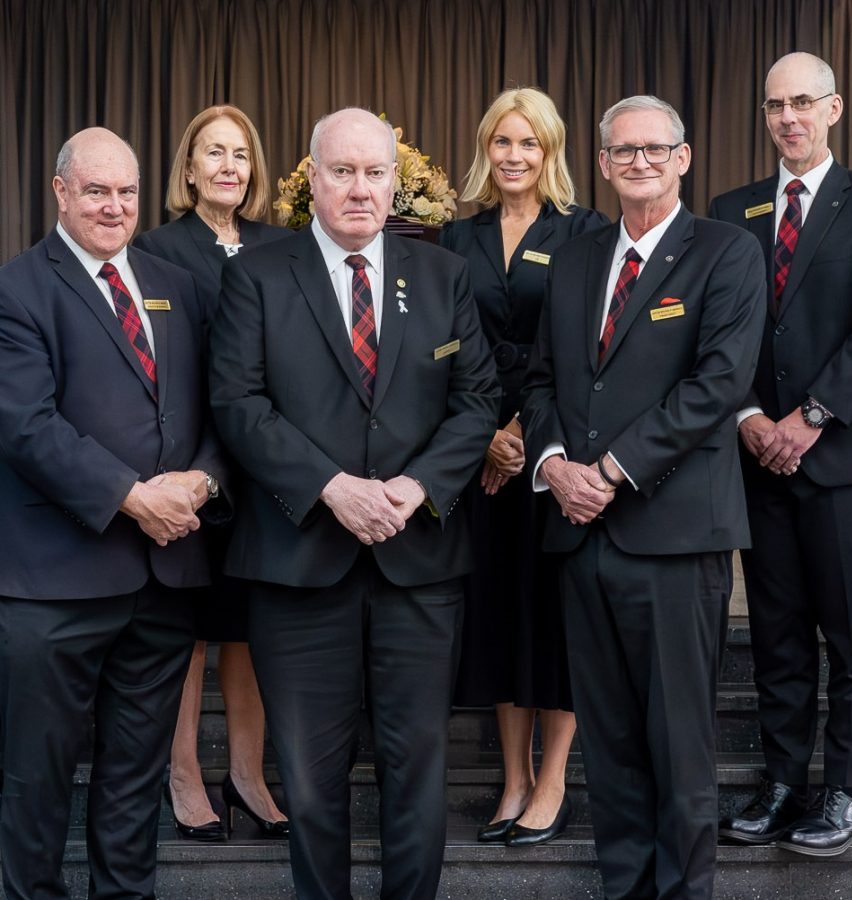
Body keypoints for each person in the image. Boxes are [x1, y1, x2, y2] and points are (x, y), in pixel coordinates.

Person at [208, 108, 499, 900]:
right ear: (314, 180)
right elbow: (238, 404)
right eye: (342, 171)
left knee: (419, 774)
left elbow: (477, 402)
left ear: (395, 182)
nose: (361, 189)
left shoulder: (444, 276)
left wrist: (414, 488)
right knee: (308, 778)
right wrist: (331, 488)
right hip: (298, 569)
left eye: (375, 173)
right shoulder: (257, 275)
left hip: (420, 566)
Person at [520, 96, 766, 899]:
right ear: (601, 163)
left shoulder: (726, 253)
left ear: (684, 158)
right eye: (623, 152)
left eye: (655, 150)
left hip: (673, 534)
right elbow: (543, 379)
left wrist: (611, 471)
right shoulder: (576, 258)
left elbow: (718, 385)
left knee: (679, 742)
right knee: (612, 743)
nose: (639, 163)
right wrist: (555, 464)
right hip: (579, 535)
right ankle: (625, 887)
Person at [0, 127, 228, 899]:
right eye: (96, 190)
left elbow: (219, 410)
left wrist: (199, 483)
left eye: (126, 191)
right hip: (54, 584)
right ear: (60, 192)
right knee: (35, 781)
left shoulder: (178, 284)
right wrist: (134, 499)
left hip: (162, 584)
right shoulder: (18, 288)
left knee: (133, 784)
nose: (114, 206)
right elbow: (26, 426)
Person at [710, 51, 852, 856]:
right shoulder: (734, 208)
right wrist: (752, 416)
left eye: (803, 102)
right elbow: (725, 328)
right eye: (775, 104)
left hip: (844, 453)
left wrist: (811, 416)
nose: (788, 116)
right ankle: (785, 783)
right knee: (779, 630)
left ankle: (848, 792)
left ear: (834, 109)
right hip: (758, 454)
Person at [440, 87, 607, 846]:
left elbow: (585, 351)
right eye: (502, 142)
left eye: (528, 144)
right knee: (499, 610)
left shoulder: (585, 232)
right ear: (486, 148)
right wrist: (482, 436)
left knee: (553, 614)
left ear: (551, 152)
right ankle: (511, 778)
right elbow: (440, 350)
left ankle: (552, 781)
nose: (513, 156)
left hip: (554, 451)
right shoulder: (453, 237)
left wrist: (521, 432)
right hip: (476, 455)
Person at [134, 104, 289, 841]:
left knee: (253, 626)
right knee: (191, 632)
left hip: (270, 470)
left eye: (241, 154)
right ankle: (185, 773)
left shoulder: (281, 244)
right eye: (213, 153)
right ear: (189, 167)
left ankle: (250, 776)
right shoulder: (156, 247)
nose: (229, 166)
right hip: (192, 466)